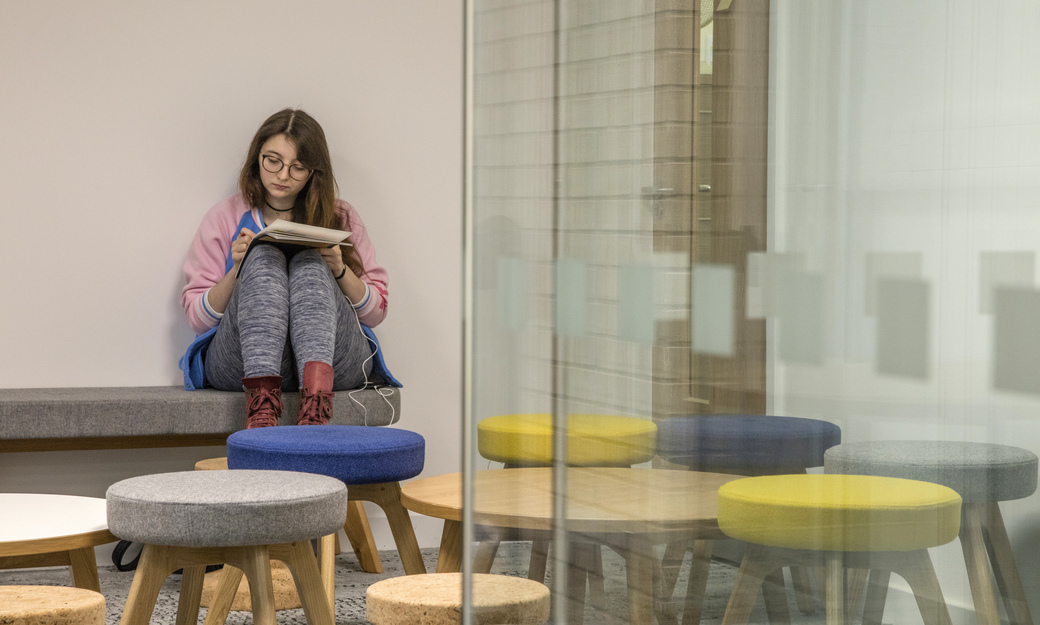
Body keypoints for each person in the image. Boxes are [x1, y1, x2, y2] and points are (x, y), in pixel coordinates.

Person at [179, 108, 398, 429]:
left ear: (313, 172)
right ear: (257, 157)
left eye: (298, 167)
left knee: (310, 259)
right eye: (273, 161)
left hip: (332, 359)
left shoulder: (341, 216)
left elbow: (376, 313)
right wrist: (238, 269)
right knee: (263, 254)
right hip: (243, 360)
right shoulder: (225, 216)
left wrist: (339, 269)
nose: (282, 175)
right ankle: (261, 407)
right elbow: (197, 320)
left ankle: (315, 405)